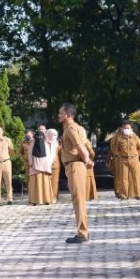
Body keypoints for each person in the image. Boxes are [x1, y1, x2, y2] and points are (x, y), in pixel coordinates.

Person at [58, 103, 94, 243]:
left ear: (67, 114)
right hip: (74, 166)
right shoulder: (75, 127)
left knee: (78, 200)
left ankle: (82, 233)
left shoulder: (71, 128)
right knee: (79, 200)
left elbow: (80, 146)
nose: (59, 115)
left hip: (75, 166)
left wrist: (87, 160)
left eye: (61, 113)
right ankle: (83, 231)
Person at [113, 122, 140, 200]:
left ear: (131, 129)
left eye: (128, 128)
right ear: (122, 129)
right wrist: (118, 155)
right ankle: (124, 195)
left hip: (134, 159)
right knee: (123, 178)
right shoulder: (119, 138)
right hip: (123, 159)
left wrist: (136, 156)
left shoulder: (135, 137)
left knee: (136, 177)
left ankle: (138, 194)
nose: (127, 129)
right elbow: (115, 148)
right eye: (125, 128)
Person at [28, 127, 52, 205]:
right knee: (40, 184)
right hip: (39, 167)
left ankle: (41, 200)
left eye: (42, 130)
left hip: (40, 168)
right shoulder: (38, 142)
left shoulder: (44, 142)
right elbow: (30, 153)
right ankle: (40, 200)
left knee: (40, 184)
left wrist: (31, 164)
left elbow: (49, 155)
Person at [48, 129, 62, 202]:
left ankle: (53, 197)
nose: (53, 136)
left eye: (54, 135)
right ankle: (46, 197)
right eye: (51, 134)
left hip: (55, 166)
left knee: (54, 182)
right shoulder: (45, 144)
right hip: (45, 166)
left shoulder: (58, 146)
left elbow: (61, 155)